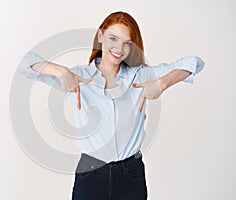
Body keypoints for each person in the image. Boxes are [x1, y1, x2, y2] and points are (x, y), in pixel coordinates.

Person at [17, 11, 205, 200]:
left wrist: (162, 83)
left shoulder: (140, 76)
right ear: (100, 37)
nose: (118, 48)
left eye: (126, 43)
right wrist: (60, 71)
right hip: (90, 175)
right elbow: (23, 64)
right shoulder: (79, 77)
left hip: (131, 175)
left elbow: (194, 63)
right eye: (113, 38)